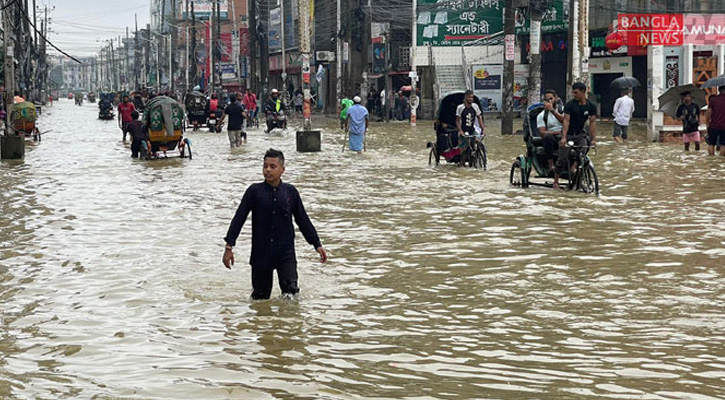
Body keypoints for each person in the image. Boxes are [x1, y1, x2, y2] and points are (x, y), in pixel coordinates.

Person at [222, 149, 328, 300]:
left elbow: (302, 219)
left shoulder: (290, 192)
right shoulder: (254, 192)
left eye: (273, 166)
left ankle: (285, 323)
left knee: (291, 296)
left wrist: (317, 244)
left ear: (282, 170)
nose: (268, 170)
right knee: (260, 299)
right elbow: (239, 219)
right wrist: (229, 247)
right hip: (261, 253)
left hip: (285, 253)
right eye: (265, 166)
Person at [554, 82, 597, 190]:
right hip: (569, 134)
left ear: (584, 92)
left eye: (576, 92)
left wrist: (594, 139)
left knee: (583, 152)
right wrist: (564, 137)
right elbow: (566, 121)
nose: (574, 95)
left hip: (580, 134)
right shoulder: (570, 105)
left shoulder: (591, 106)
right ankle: (556, 181)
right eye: (573, 92)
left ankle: (576, 170)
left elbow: (592, 123)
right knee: (562, 157)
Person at [537, 89, 565, 172]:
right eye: (547, 100)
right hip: (552, 140)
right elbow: (542, 132)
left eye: (551, 98)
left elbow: (565, 121)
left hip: (565, 137)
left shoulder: (564, 110)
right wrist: (556, 132)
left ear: (556, 98)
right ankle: (551, 165)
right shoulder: (541, 115)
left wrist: (552, 110)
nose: (549, 101)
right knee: (547, 137)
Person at [456, 90, 485, 167]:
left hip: (472, 130)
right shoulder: (460, 108)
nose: (470, 99)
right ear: (465, 98)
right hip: (463, 131)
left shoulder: (475, 106)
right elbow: (458, 121)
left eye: (472, 97)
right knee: (463, 151)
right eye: (469, 97)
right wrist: (461, 131)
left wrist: (483, 128)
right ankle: (462, 163)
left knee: (478, 141)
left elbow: (479, 117)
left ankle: (478, 156)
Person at [706, 85, 725, 156]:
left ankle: (711, 158)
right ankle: (720, 159)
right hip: (724, 126)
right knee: (724, 144)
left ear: (719, 90)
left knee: (711, 143)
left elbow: (708, 113)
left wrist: (707, 124)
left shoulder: (713, 100)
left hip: (713, 125)